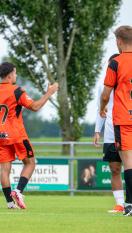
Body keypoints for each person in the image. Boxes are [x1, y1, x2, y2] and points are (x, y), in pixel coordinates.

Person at [0, 62, 58, 209]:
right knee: (30, 163)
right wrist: (49, 93)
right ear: (9, 75)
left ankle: (10, 203)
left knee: (5, 170)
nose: (16, 75)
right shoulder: (17, 91)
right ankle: (18, 191)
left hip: (0, 136)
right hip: (17, 135)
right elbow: (35, 107)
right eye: (15, 73)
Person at [100, 25, 132, 216]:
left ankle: (129, 204)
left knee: (128, 163)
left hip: (124, 118)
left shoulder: (116, 62)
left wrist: (103, 107)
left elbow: (105, 94)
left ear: (118, 42)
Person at [94, 53, 124, 212]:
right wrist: (97, 131)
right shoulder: (102, 87)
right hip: (111, 133)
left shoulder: (128, 84)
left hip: (127, 129)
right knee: (114, 168)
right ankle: (120, 204)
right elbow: (100, 110)